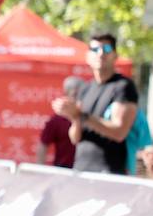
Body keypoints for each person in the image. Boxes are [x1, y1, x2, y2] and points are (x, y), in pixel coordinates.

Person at [52, 32, 137, 175]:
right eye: (95, 49)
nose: (101, 53)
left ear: (115, 55)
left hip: (110, 172)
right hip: (81, 170)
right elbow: (75, 138)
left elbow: (119, 132)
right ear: (88, 56)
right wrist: (72, 115)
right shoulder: (85, 89)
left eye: (107, 49)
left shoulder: (123, 86)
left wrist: (81, 115)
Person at [36, 76, 79, 168]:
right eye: (75, 95)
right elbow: (43, 144)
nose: (77, 99)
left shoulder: (89, 117)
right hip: (64, 170)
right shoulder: (57, 120)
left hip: (87, 169)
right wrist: (39, 169)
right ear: (66, 95)